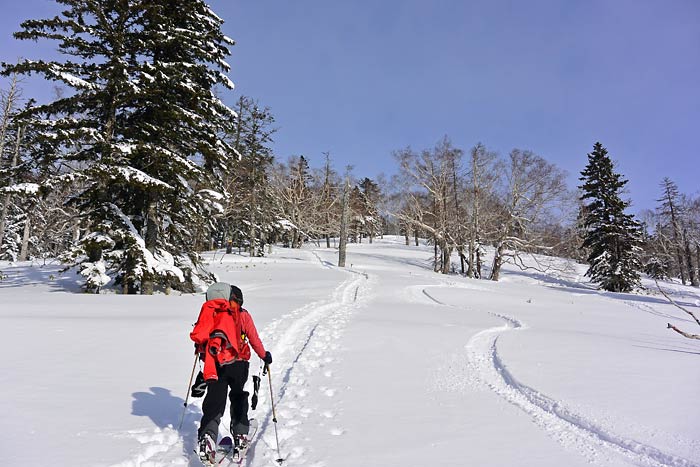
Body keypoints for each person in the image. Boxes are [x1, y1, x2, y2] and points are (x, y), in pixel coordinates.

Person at [190, 282, 273, 462]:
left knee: (215, 401)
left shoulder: (211, 313)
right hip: (238, 364)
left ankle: (207, 438)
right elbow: (253, 339)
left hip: (215, 365)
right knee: (238, 396)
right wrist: (264, 355)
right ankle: (241, 435)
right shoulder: (242, 315)